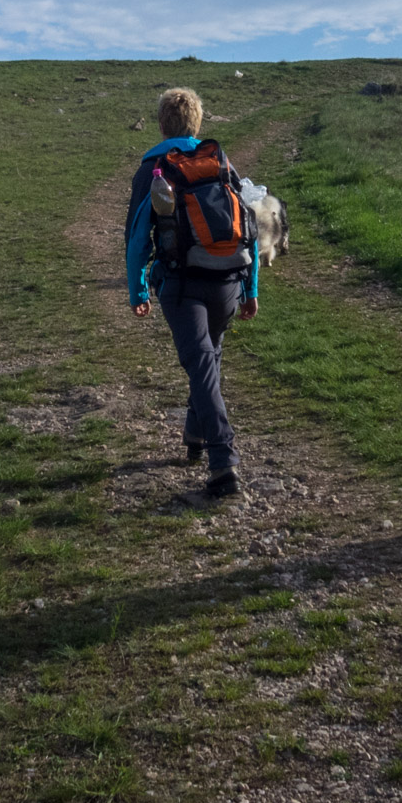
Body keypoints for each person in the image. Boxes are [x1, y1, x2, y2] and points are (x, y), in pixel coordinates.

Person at [125, 87, 259, 500]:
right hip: (227, 282)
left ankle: (223, 461)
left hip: (182, 285)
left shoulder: (154, 166)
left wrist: (138, 288)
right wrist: (251, 288)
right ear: (197, 123)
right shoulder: (219, 161)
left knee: (201, 364)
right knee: (209, 358)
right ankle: (194, 430)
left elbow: (136, 238)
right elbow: (247, 225)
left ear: (163, 124)